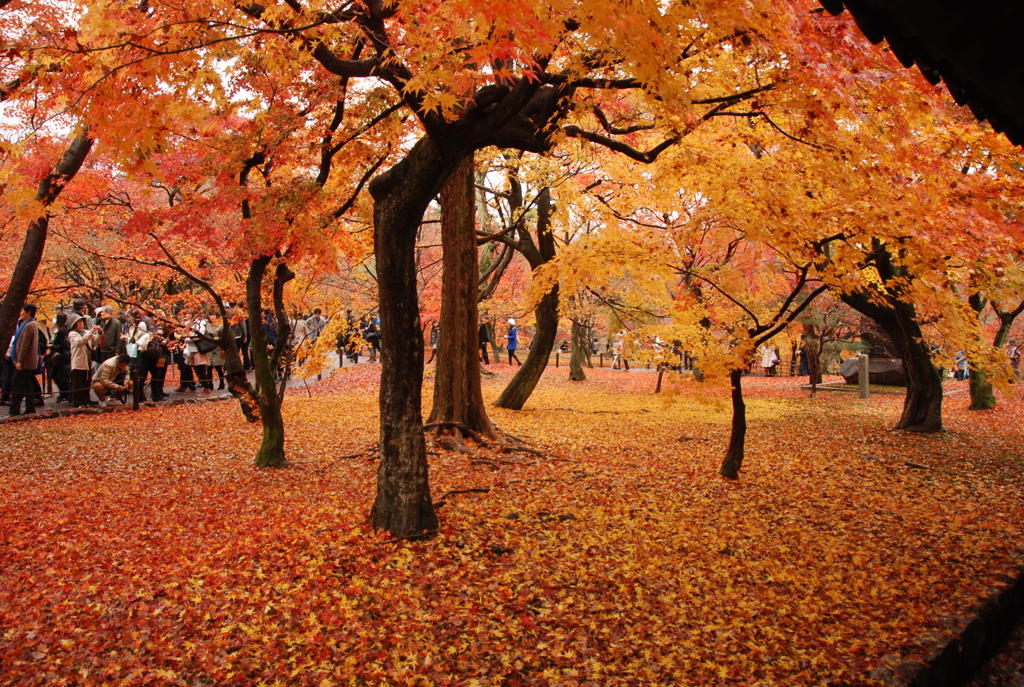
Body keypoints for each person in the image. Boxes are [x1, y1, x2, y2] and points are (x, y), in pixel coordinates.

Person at [8, 303, 41, 416]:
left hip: (25, 362)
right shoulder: (29, 324)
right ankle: (30, 408)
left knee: (16, 384)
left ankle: (14, 410)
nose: (21, 313)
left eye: (23, 311)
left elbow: (25, 345)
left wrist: (19, 361)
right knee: (27, 385)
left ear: (29, 312)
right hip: (28, 362)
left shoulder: (29, 326)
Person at [67, 314, 101, 407]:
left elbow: (95, 341)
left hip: (88, 361)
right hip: (79, 362)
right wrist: (90, 332)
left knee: (86, 382)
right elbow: (80, 342)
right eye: (79, 322)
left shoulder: (86, 332)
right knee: (78, 383)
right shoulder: (72, 334)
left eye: (82, 322)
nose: (81, 324)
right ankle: (77, 402)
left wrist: (99, 333)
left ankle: (86, 400)